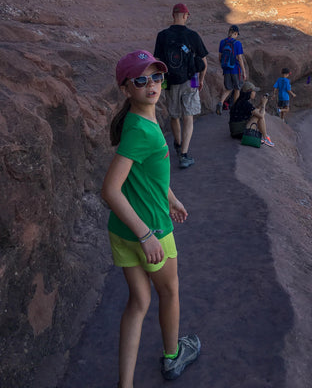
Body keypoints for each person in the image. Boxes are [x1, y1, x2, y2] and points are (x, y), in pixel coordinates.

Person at [101, 50, 200, 388]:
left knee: (139, 300)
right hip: (149, 229)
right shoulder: (141, 130)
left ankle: (124, 384)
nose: (152, 85)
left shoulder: (137, 119)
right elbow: (111, 190)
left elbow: (146, 176)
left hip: (123, 230)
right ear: (126, 88)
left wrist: (171, 197)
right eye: (140, 80)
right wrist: (147, 234)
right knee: (170, 293)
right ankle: (173, 356)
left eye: (156, 77)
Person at [154, 4, 208, 168]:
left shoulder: (162, 36)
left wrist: (162, 84)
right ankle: (184, 155)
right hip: (191, 80)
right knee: (188, 116)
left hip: (170, 82)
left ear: (173, 15)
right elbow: (203, 63)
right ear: (185, 16)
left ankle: (177, 144)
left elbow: (157, 63)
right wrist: (201, 80)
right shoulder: (192, 36)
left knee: (174, 115)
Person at [229, 81, 274, 146]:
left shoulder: (241, 101)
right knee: (258, 117)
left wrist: (261, 103)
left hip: (235, 132)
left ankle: (265, 135)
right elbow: (261, 115)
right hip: (240, 132)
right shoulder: (245, 103)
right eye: (254, 91)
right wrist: (264, 104)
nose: (255, 93)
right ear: (249, 92)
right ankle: (265, 138)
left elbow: (255, 110)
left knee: (257, 115)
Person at [216, 24, 247, 115]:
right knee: (237, 88)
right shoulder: (237, 43)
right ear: (235, 33)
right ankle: (235, 108)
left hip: (226, 69)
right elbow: (240, 58)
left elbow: (220, 57)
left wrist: (223, 67)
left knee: (228, 88)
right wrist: (244, 72)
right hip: (235, 69)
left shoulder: (222, 42)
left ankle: (220, 102)